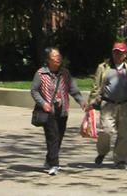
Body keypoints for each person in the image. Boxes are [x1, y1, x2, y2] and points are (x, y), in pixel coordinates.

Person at [31, 46, 86, 176]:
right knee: (53, 137)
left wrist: (81, 101)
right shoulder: (40, 74)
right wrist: (43, 103)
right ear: (48, 60)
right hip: (48, 111)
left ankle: (49, 159)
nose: (58, 59)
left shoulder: (65, 73)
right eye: (55, 57)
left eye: (59, 56)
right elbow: (34, 90)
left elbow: (73, 89)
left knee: (59, 137)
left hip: (62, 111)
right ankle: (54, 164)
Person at [88, 41, 127, 170]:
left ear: (125, 54)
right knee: (106, 131)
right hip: (108, 104)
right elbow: (96, 86)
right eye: (115, 52)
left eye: (120, 52)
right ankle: (102, 151)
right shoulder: (103, 68)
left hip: (124, 105)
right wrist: (91, 102)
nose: (117, 55)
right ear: (112, 53)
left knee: (123, 134)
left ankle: (120, 160)